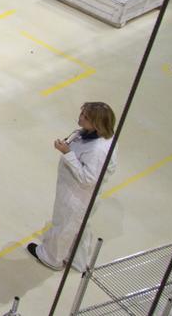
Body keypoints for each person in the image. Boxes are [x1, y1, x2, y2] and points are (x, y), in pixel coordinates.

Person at [28, 102, 118, 272]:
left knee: (65, 226)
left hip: (78, 196)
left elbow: (88, 178)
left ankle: (51, 258)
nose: (80, 118)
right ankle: (74, 257)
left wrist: (67, 153)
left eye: (85, 117)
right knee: (75, 227)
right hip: (74, 191)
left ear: (96, 123)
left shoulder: (98, 149)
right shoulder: (95, 136)